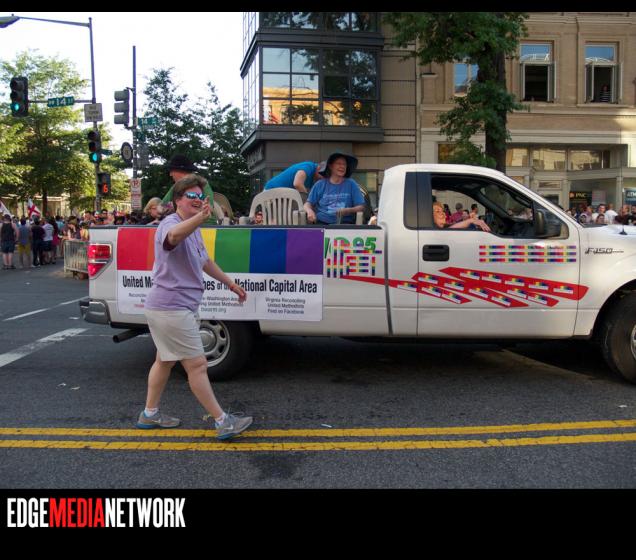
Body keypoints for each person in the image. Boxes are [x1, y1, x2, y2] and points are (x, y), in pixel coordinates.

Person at [138, 173, 252, 441]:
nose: (198, 200)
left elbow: (205, 261)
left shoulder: (193, 228)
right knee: (198, 365)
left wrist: (231, 284)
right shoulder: (170, 224)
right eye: (192, 195)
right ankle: (223, 421)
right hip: (171, 307)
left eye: (201, 196)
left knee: (165, 360)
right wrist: (199, 218)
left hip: (175, 307)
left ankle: (149, 414)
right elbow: (171, 239)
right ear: (178, 200)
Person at [304, 152, 365, 225]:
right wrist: (309, 211)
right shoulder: (319, 184)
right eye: (339, 163)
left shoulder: (351, 184)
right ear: (330, 166)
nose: (342, 166)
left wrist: (348, 210)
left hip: (345, 224)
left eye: (344, 164)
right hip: (321, 223)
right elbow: (307, 204)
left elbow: (361, 207)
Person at [161, 155, 216, 225]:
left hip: (206, 227)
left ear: (181, 171)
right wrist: (168, 206)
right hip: (182, 225)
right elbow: (161, 206)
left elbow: (209, 208)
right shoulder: (176, 186)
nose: (170, 174)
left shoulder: (202, 185)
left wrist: (174, 206)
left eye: (171, 171)